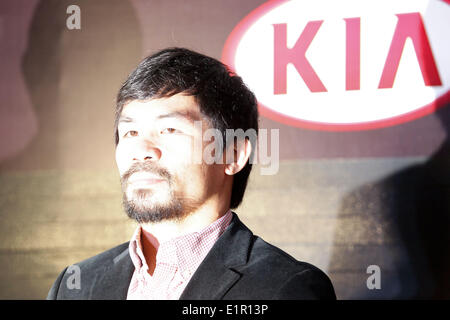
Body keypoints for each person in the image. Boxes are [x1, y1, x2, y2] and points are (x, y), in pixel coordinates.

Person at [46, 47, 336, 300]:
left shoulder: (285, 288)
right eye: (130, 131)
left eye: (169, 129)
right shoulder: (74, 286)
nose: (141, 149)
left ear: (233, 155)